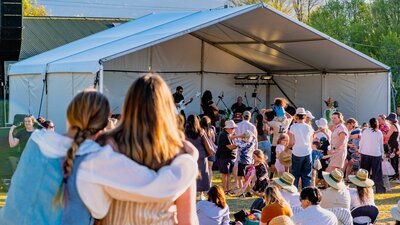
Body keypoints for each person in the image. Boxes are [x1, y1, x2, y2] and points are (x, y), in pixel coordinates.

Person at [1, 89, 197, 225]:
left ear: (70, 114)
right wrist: (188, 159)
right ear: (105, 122)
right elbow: (159, 188)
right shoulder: (96, 159)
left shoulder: (37, 140)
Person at [95, 74, 199, 224]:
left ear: (129, 105)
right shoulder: (181, 156)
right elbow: (187, 220)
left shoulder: (106, 146)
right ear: (166, 108)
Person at [186, 114, 210, 200]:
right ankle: (201, 194)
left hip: (190, 155)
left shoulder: (185, 133)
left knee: (191, 174)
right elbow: (206, 144)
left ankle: (192, 192)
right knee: (203, 174)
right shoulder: (201, 131)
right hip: (201, 155)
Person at [288, 107, 314, 188]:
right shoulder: (309, 127)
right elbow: (311, 141)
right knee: (306, 175)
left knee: (295, 175)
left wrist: (287, 148)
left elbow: (292, 142)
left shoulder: (293, 127)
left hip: (297, 152)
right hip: (307, 152)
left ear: (296, 116)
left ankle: (294, 192)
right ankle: (306, 193)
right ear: (305, 116)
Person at [359, 117, 386, 193]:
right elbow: (381, 145)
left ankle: (362, 189)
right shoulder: (379, 132)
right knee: (377, 173)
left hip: (365, 153)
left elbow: (362, 142)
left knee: (364, 173)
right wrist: (382, 154)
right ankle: (379, 189)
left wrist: (359, 150)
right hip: (376, 154)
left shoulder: (365, 131)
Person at [266, 109, 293, 181]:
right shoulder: (287, 122)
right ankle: (286, 177)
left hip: (275, 144)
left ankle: (271, 176)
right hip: (285, 144)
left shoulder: (274, 123)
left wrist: (265, 112)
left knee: (274, 161)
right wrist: (283, 110)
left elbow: (265, 121)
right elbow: (291, 117)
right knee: (286, 161)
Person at [217, 120, 238, 193]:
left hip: (229, 157)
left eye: (234, 128)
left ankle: (227, 189)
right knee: (225, 174)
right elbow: (230, 147)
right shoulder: (224, 135)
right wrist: (240, 144)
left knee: (228, 174)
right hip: (224, 157)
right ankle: (225, 189)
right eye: (232, 128)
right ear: (227, 128)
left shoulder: (228, 135)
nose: (233, 130)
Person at [201, 116, 217, 186]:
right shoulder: (211, 130)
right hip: (211, 150)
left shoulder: (201, 130)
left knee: (204, 169)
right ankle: (209, 184)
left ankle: (204, 184)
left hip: (204, 150)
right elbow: (214, 140)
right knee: (210, 168)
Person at [384, 113, 400, 182]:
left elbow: (387, 135)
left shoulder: (393, 126)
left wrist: (382, 133)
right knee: (395, 160)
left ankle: (395, 176)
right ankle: (396, 176)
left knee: (393, 161)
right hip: (396, 144)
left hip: (393, 145)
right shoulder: (398, 125)